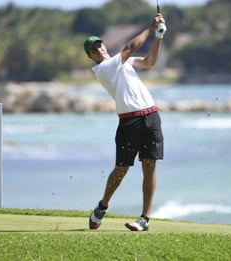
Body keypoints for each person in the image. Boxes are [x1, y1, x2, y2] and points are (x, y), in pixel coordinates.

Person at [84, 13, 167, 231]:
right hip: (129, 122)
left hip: (151, 117)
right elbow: (131, 46)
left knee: (149, 166)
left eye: (100, 46)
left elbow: (149, 62)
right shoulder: (103, 69)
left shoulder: (125, 64)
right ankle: (102, 206)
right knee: (121, 168)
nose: (99, 49)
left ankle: (144, 219)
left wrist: (158, 36)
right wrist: (150, 27)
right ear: (91, 57)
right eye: (94, 49)